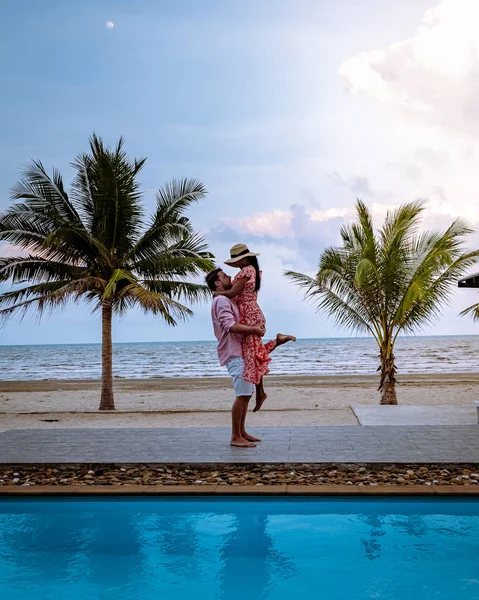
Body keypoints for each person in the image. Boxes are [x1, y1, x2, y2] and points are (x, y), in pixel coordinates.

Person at [213, 244, 296, 411]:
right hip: (249, 313)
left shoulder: (247, 271)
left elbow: (233, 293)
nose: (234, 266)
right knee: (253, 352)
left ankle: (260, 391)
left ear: (244, 258)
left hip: (249, 315)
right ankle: (261, 389)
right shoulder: (251, 271)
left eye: (236, 261)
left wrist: (217, 293)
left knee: (252, 353)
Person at [206, 267, 264, 447]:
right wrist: (254, 330)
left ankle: (242, 432)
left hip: (239, 350)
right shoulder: (222, 300)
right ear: (217, 283)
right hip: (233, 351)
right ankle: (235, 436)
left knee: (246, 394)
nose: (229, 276)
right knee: (242, 394)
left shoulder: (228, 299)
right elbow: (230, 326)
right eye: (224, 276)